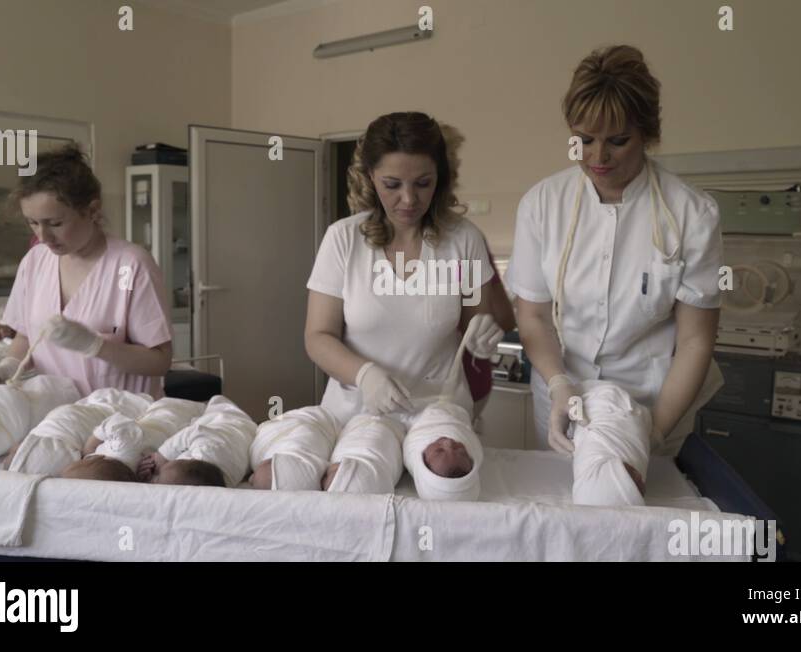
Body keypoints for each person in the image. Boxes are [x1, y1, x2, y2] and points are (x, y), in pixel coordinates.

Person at [506, 45, 724, 464]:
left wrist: (655, 432)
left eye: (617, 141)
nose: (597, 157)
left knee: (636, 518)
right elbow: (532, 316)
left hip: (650, 401)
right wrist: (556, 385)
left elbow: (696, 340)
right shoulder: (542, 205)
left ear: (648, 134)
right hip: (560, 395)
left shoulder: (692, 214)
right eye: (583, 139)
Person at [303, 112, 505, 493]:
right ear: (369, 178)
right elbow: (317, 336)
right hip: (359, 412)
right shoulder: (343, 240)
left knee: (449, 490)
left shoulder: (463, 240)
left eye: (423, 183)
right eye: (392, 184)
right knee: (353, 490)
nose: (409, 199)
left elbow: (479, 316)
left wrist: (484, 333)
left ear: (440, 179)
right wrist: (365, 374)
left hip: (439, 410)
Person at [0, 144, 173, 398]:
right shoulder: (35, 262)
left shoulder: (132, 265)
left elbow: (159, 361)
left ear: (92, 211)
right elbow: (26, 337)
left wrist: (96, 346)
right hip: (57, 418)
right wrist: (8, 366)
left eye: (55, 223)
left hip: (120, 421)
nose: (43, 236)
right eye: (33, 223)